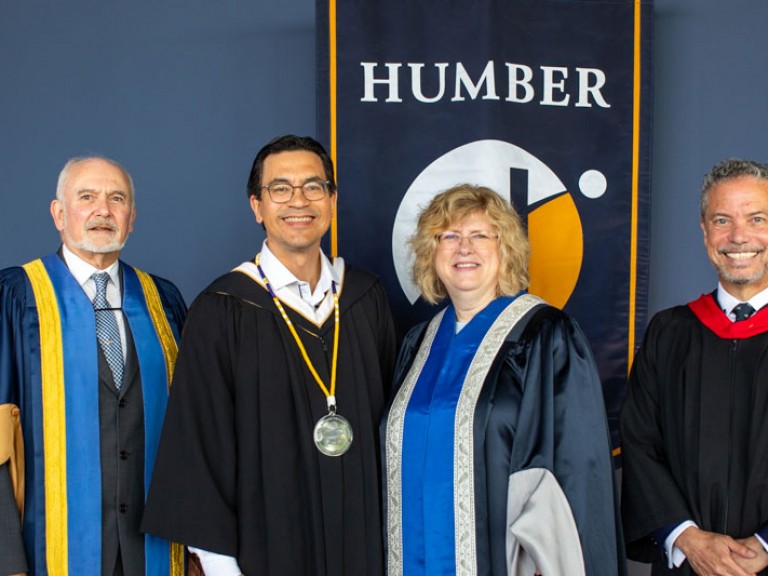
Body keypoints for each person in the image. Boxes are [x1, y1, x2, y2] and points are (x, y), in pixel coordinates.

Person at [142, 134, 397, 576]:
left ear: (332, 200)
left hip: (366, 549)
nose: (299, 201)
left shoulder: (365, 298)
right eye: (280, 189)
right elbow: (198, 448)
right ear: (257, 206)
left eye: (313, 187)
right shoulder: (223, 308)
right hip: (264, 553)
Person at [382, 184, 625, 576]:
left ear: (505, 249)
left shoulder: (544, 335)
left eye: (481, 235)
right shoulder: (418, 343)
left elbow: (577, 467)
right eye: (450, 236)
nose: (464, 248)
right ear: (432, 252)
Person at [0, 156, 187, 575]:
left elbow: (191, 430)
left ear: (131, 218)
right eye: (87, 197)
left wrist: (196, 546)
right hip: (47, 548)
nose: (103, 210)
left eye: (116, 199)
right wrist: (6, 557)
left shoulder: (163, 301)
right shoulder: (16, 298)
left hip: (152, 545)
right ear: (59, 213)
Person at [621, 158, 768, 576]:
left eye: (756, 218)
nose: (739, 236)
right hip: (687, 565)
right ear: (705, 232)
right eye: (722, 220)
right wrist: (685, 536)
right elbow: (639, 444)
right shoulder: (669, 333)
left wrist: (763, 545)